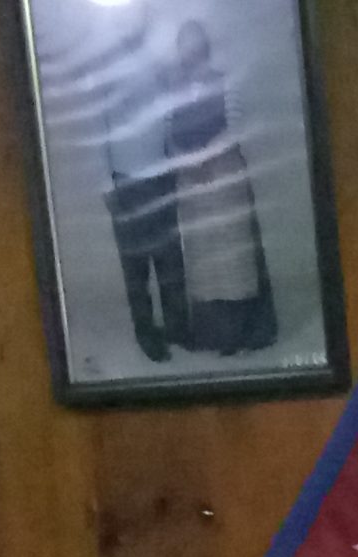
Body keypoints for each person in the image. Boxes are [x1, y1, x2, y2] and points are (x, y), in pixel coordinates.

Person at [164, 18, 280, 356]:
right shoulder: (173, 89)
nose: (190, 50)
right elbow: (169, 132)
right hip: (191, 183)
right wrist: (188, 161)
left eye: (195, 42)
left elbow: (237, 125)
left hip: (224, 176)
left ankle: (245, 334)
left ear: (205, 45)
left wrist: (207, 158)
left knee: (234, 257)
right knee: (205, 261)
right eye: (184, 43)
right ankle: (212, 335)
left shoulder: (225, 81)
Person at [90, 4, 189, 364]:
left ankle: (178, 328)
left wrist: (175, 166)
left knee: (170, 259)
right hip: (126, 181)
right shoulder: (104, 67)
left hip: (161, 175)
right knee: (135, 267)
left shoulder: (157, 61)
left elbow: (168, 116)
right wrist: (105, 184)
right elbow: (97, 128)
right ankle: (146, 334)